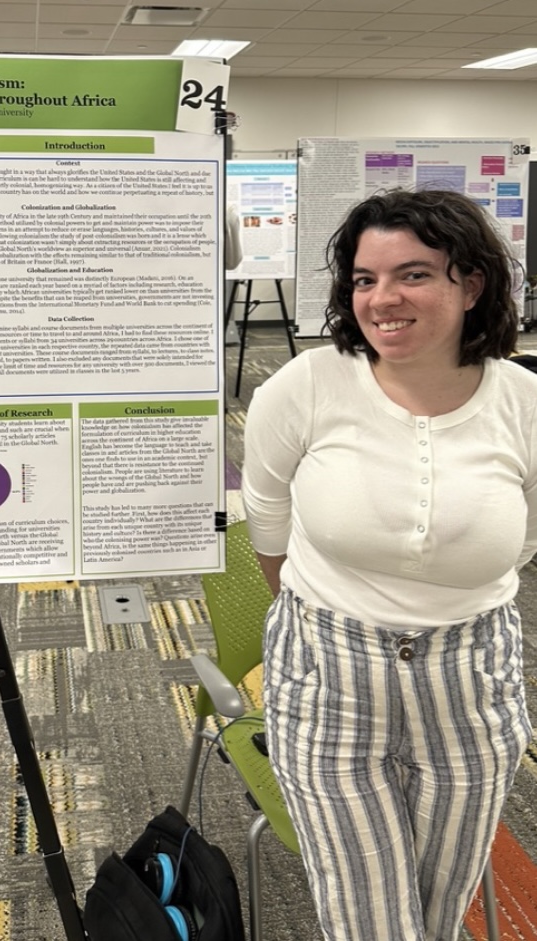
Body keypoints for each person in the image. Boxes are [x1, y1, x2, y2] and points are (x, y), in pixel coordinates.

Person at [242, 188, 536, 941]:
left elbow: (525, 535)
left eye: (411, 274)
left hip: (469, 680)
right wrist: (314, 613)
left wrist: (458, 568)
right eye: (364, 279)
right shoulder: (306, 386)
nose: (381, 299)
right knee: (372, 923)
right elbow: (267, 516)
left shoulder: (521, 402)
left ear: (469, 284)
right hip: (330, 674)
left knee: (436, 915)